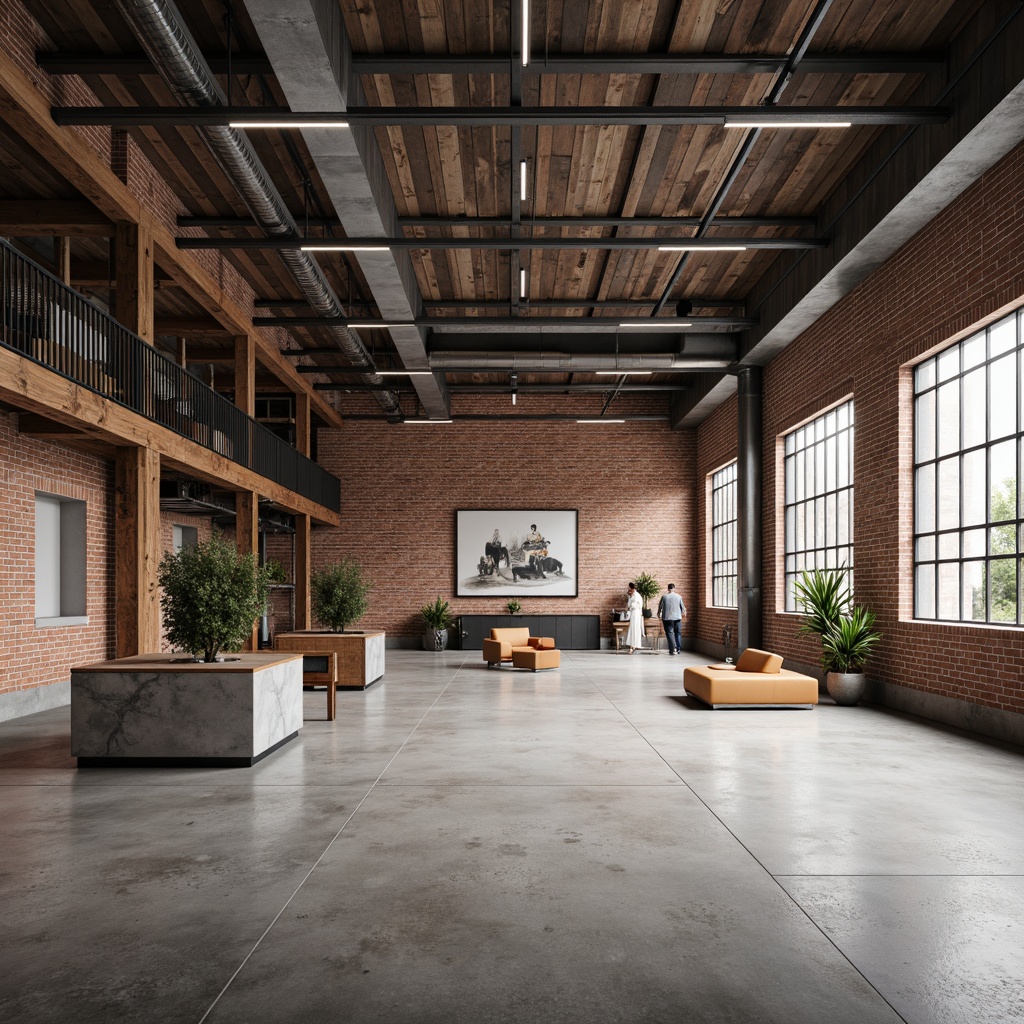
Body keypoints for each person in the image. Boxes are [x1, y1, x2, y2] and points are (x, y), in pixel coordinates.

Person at [657, 583, 686, 655]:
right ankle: (678, 649)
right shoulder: (679, 597)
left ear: (668, 589)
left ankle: (672, 649)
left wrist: (658, 614)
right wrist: (684, 613)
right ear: (674, 588)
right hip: (677, 617)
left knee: (670, 633)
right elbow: (682, 607)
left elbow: (660, 607)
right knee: (678, 633)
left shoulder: (664, 597)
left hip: (667, 617)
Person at [625, 581, 644, 654]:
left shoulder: (637, 595)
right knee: (632, 629)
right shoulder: (632, 595)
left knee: (635, 629)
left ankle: (633, 646)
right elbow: (629, 604)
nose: (628, 590)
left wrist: (631, 603)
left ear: (632, 588)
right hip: (633, 613)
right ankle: (632, 646)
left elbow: (635, 605)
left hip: (636, 613)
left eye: (629, 588)